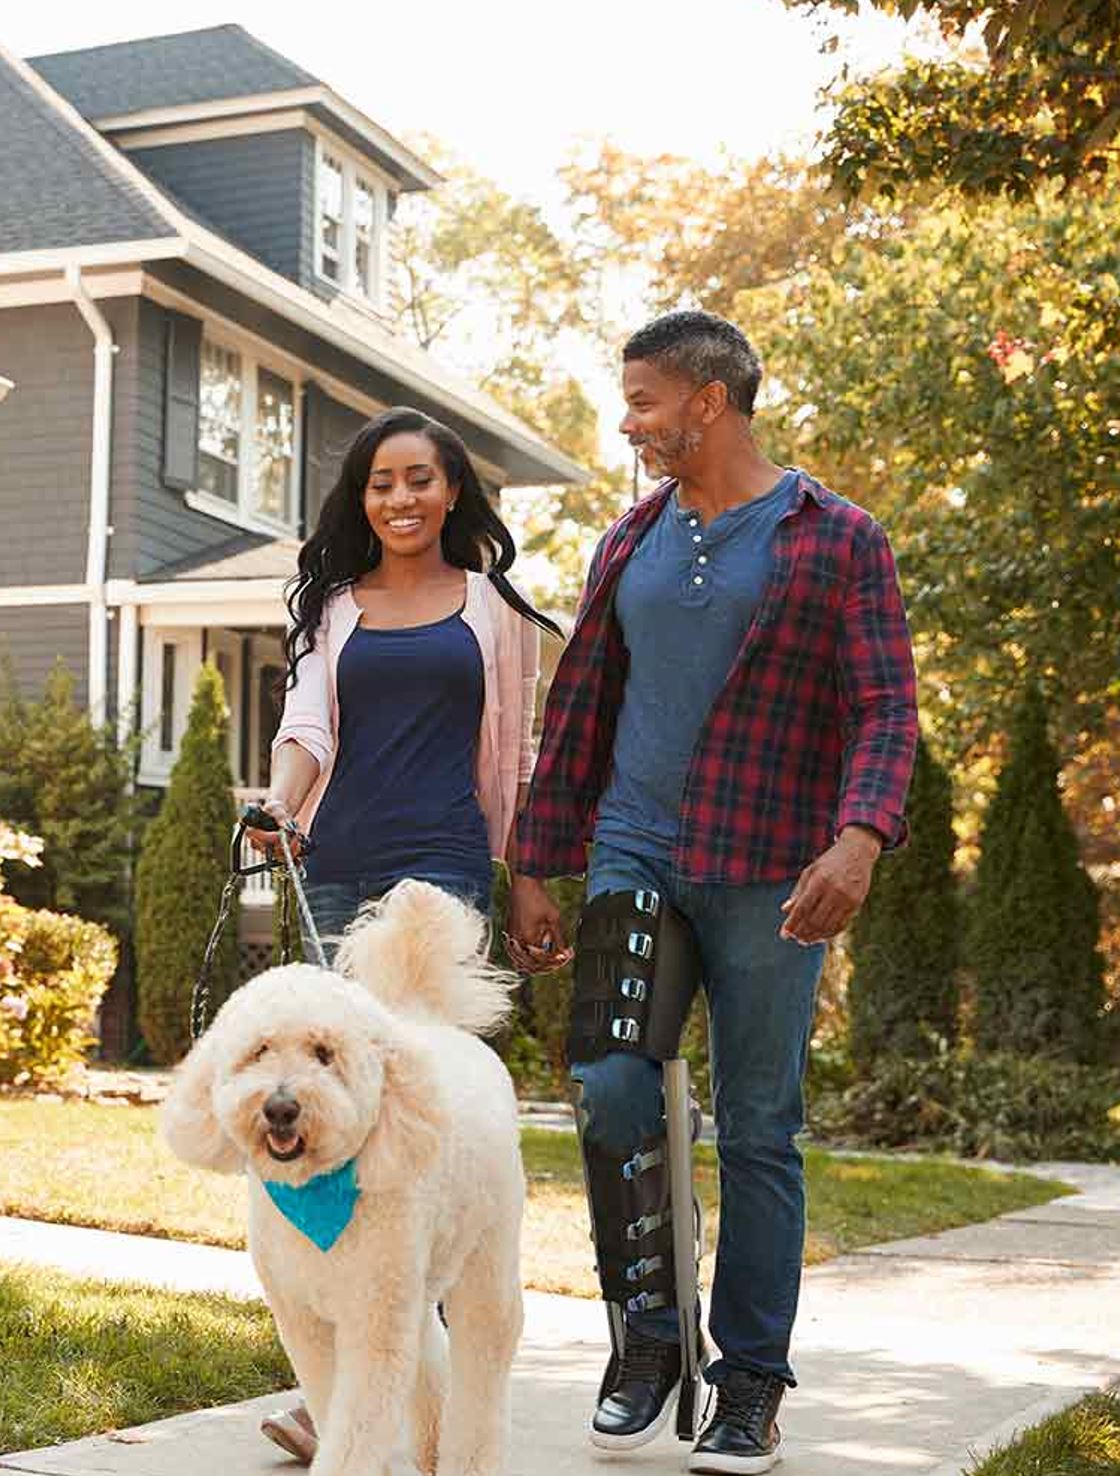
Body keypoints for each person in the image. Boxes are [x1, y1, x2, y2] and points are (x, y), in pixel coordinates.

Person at [507, 311, 918, 1474]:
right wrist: (535, 859)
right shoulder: (628, 539)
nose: (626, 423)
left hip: (772, 870)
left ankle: (748, 1385)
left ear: (708, 401)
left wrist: (860, 839)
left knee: (756, 1130)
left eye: (641, 401)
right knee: (611, 1090)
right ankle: (647, 1342)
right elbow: (581, 709)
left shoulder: (835, 538)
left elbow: (886, 707)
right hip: (635, 852)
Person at [249, 405, 561, 1463]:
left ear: (454, 489)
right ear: (362, 495)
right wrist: (281, 806)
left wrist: (524, 881)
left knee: (423, 1123)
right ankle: (345, 1379)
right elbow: (305, 729)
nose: (401, 498)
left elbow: (516, 758)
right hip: (338, 865)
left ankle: (400, 1379)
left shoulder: (493, 609)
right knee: (336, 1124)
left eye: (420, 478)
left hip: (445, 872)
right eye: (382, 481)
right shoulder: (333, 607)